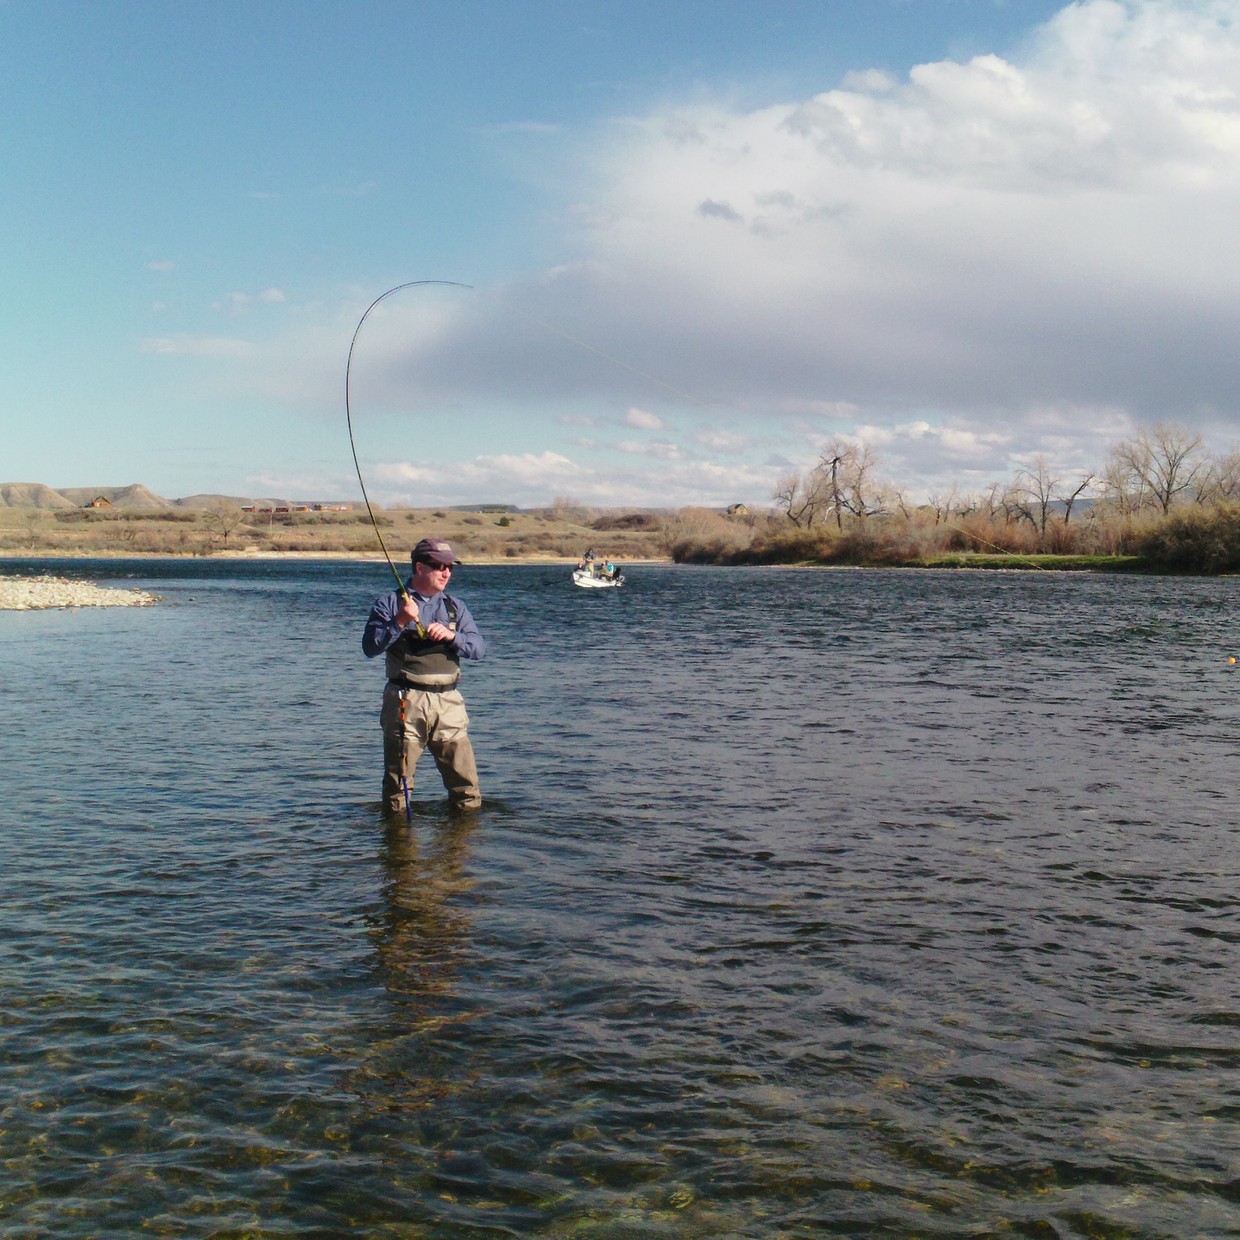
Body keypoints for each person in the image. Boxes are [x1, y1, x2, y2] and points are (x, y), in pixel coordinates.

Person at [362, 538, 485, 816]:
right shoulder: (390, 603)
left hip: (450, 704)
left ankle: (461, 851)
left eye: (450, 567)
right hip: (405, 703)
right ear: (419, 568)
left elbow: (478, 649)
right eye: (439, 566)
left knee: (466, 787)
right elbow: (370, 647)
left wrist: (453, 637)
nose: (446, 572)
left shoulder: (456, 607)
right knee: (398, 788)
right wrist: (401, 621)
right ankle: (399, 852)